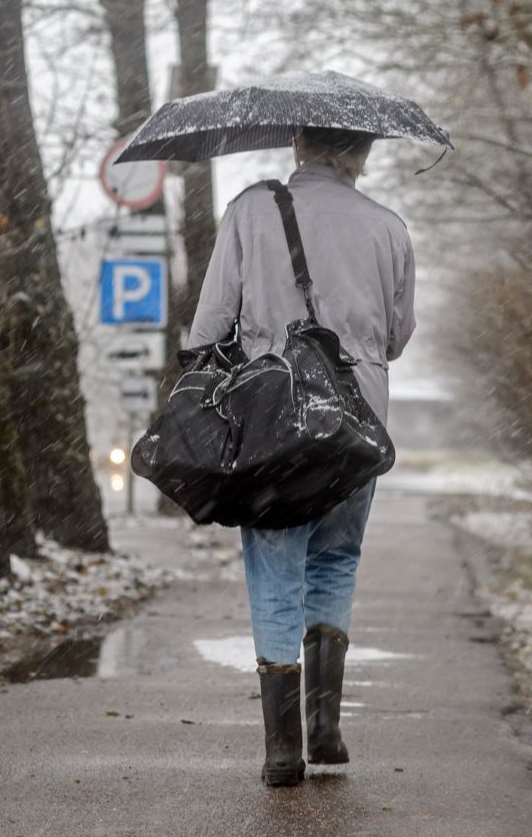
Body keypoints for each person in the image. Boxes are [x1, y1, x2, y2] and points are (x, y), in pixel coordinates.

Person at [186, 126, 417, 787]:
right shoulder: (388, 227)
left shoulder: (250, 211)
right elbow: (398, 335)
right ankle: (325, 727)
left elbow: (210, 325)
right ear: (362, 152)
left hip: (274, 419)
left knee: (275, 564)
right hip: (358, 425)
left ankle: (283, 747)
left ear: (297, 142)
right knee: (336, 559)